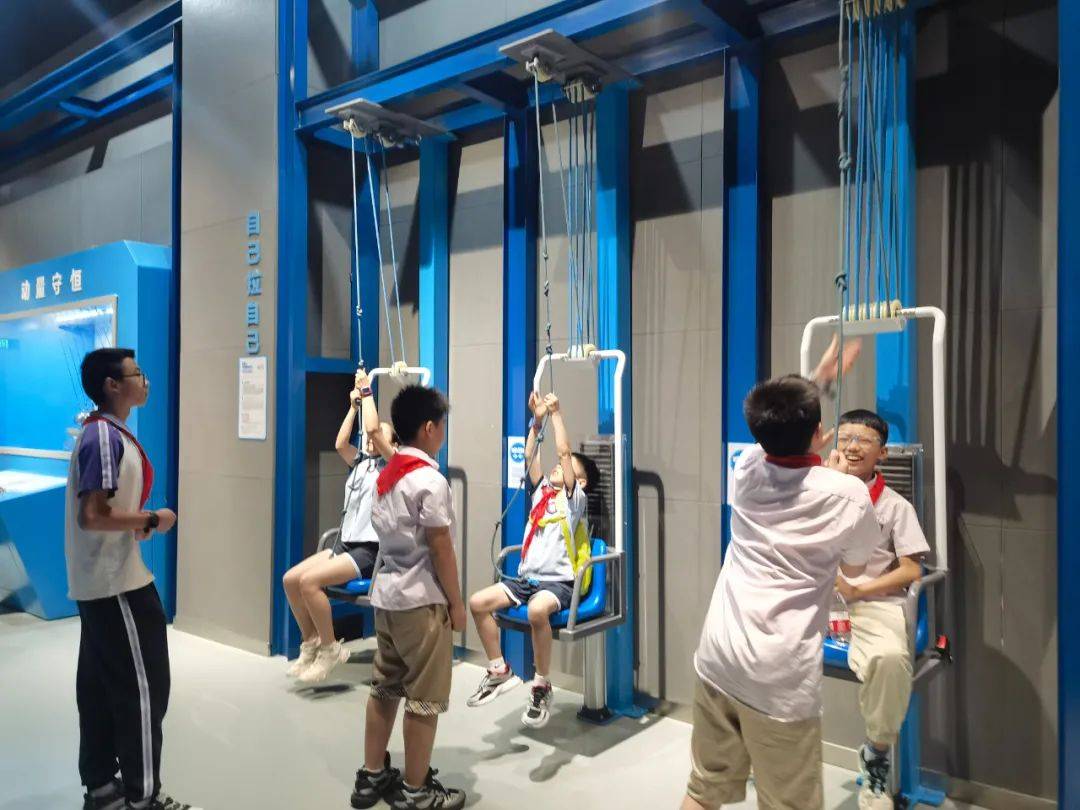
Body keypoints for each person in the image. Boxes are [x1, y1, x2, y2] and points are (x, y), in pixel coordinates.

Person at [682, 373, 880, 810]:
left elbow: (774, 439)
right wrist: (837, 478)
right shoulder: (849, 493)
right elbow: (855, 566)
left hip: (718, 656)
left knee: (703, 790)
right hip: (778, 680)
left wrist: (818, 382)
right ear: (819, 432)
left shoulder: (746, 469)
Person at [67, 348, 197, 810]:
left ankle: (103, 788)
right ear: (112, 385)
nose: (145, 381)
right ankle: (143, 797)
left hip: (104, 582)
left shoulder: (106, 433)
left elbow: (101, 512)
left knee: (100, 689)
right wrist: (151, 519)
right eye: (137, 374)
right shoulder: (103, 437)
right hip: (117, 585)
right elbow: (92, 515)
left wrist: (137, 524)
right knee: (143, 691)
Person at [350, 385, 467, 810]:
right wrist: (457, 604)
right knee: (424, 698)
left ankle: (371, 776)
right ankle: (416, 791)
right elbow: (441, 547)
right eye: (442, 426)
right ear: (429, 427)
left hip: (386, 599)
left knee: (384, 688)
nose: (443, 433)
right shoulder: (429, 481)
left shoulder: (387, 475)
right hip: (422, 603)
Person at [464, 392, 598, 729]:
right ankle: (499, 669)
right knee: (478, 603)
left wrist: (557, 414)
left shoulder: (574, 500)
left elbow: (564, 451)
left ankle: (541, 684)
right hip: (526, 581)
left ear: (580, 481)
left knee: (538, 610)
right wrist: (536, 421)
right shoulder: (542, 494)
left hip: (558, 584)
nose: (558, 465)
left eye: (566, 467)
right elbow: (529, 454)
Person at [832, 409, 930, 810]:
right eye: (845, 439)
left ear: (882, 453)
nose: (852, 447)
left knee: (889, 659)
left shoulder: (895, 507)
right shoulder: (818, 491)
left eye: (863, 440)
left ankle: (875, 758)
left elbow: (912, 569)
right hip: (817, 600)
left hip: (873, 601)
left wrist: (859, 590)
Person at [282, 369, 397, 683]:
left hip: (369, 551)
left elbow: (372, 429)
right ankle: (311, 643)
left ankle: (331, 648)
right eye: (372, 437)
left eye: (381, 435)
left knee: (310, 583)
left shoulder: (393, 466)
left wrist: (367, 391)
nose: (373, 439)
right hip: (344, 543)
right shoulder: (360, 462)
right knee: (291, 580)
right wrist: (353, 406)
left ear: (393, 443)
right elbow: (340, 442)